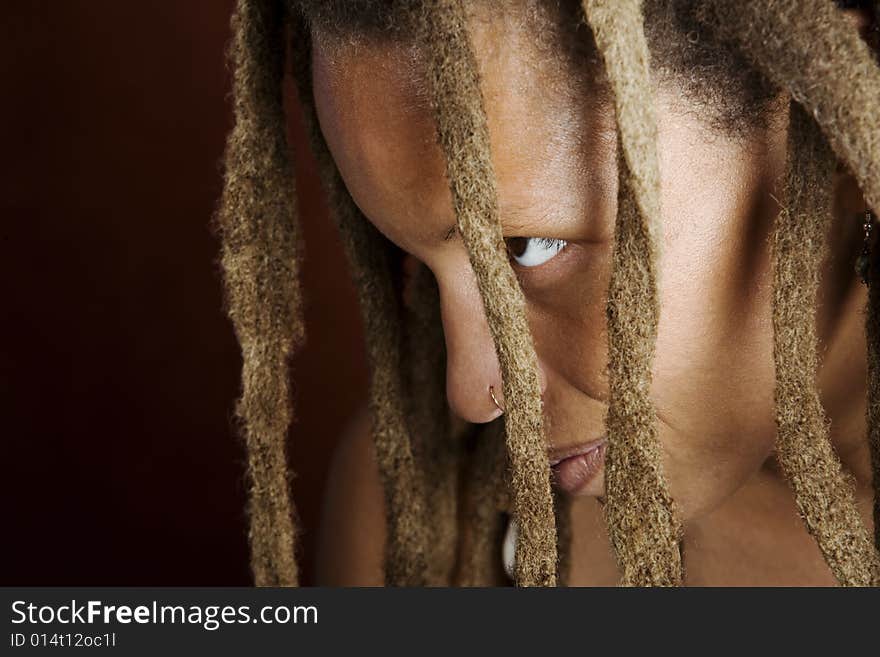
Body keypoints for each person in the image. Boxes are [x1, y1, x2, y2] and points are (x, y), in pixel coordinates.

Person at [216, 0, 880, 586]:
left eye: (528, 248)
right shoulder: (425, 524)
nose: (473, 394)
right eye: (412, 256)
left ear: (825, 114)